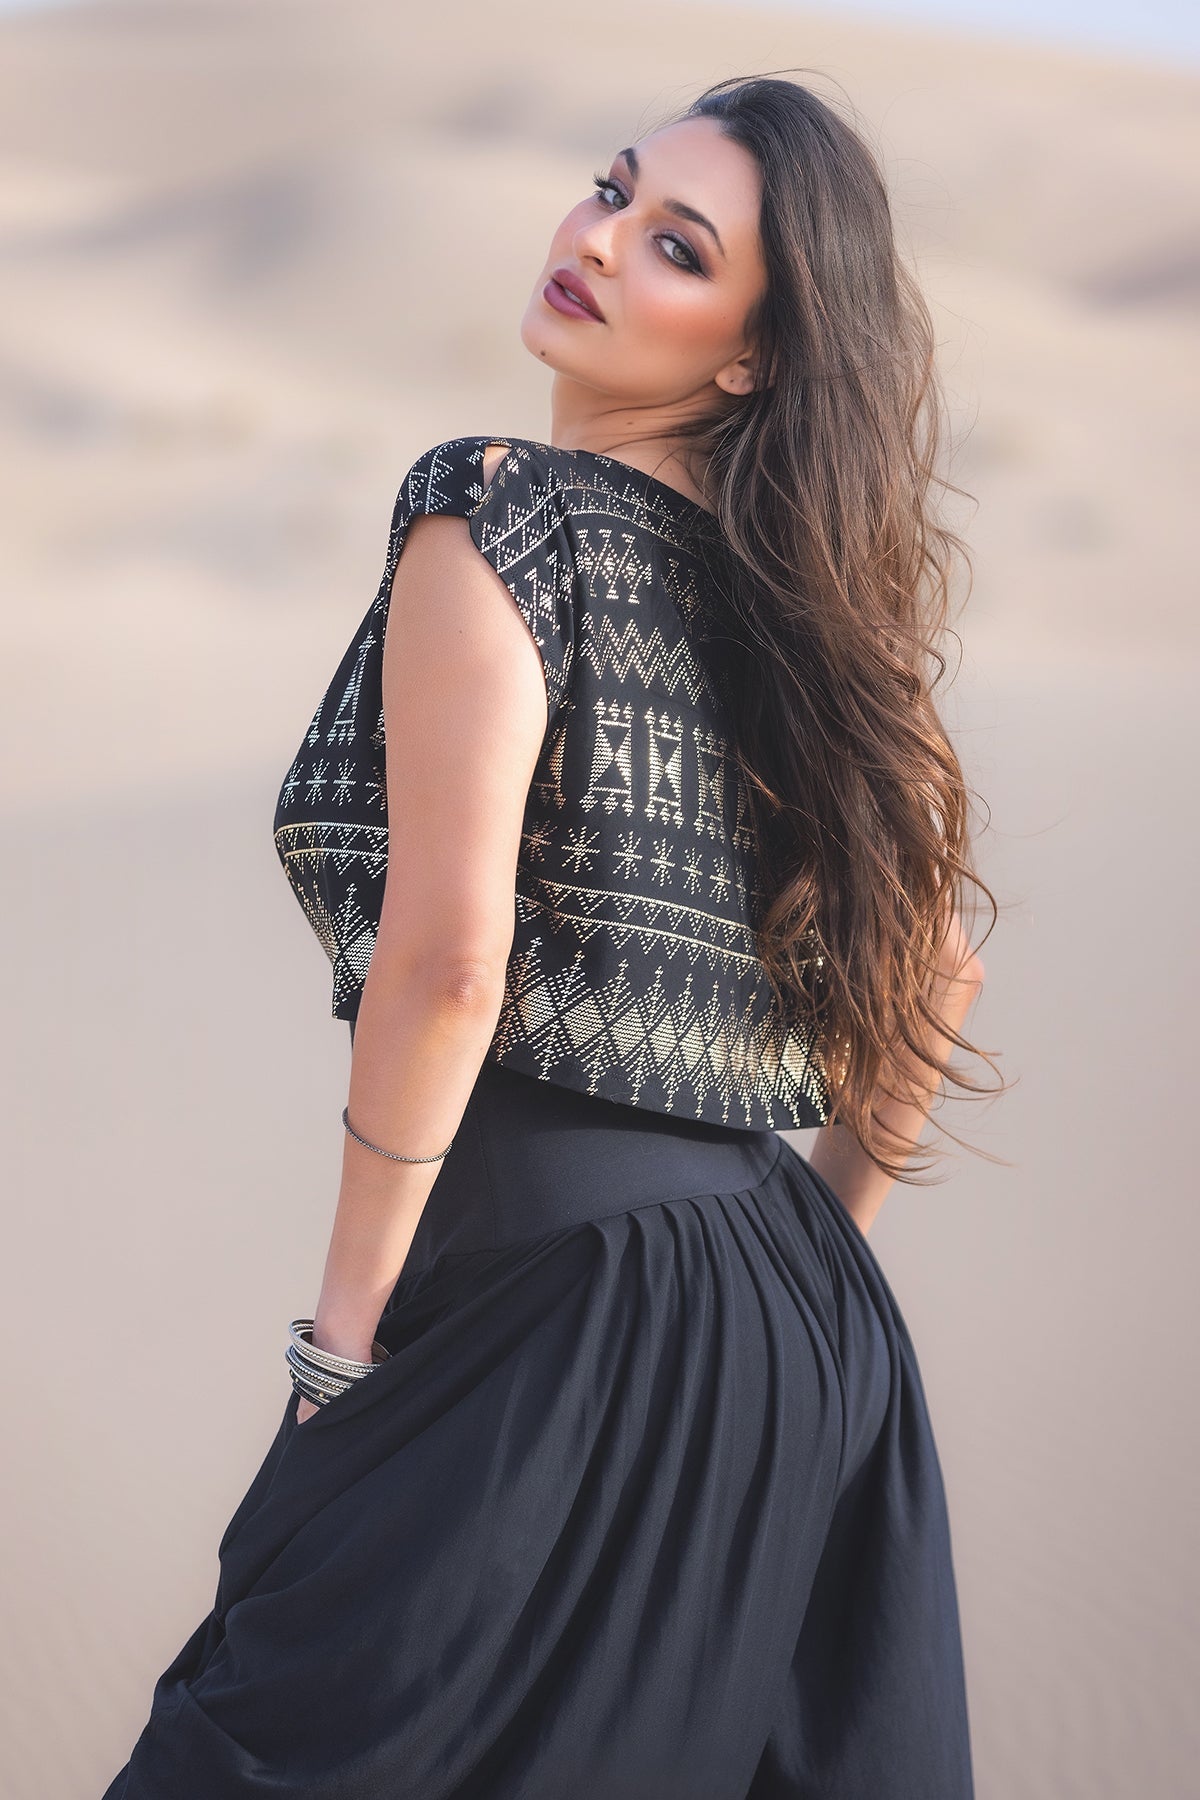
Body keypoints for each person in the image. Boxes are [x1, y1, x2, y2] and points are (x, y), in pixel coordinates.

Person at [102, 71, 999, 1800]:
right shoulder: (819, 618)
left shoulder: (496, 507)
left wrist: (339, 1347)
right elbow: (939, 976)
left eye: (675, 245)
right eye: (610, 190)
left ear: (751, 353)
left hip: (547, 1305)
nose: (595, 239)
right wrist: (799, 1244)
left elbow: (451, 965)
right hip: (808, 1322)